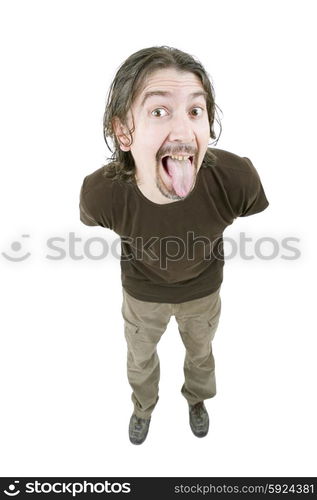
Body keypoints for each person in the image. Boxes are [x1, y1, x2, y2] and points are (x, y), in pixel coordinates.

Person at [79, 46, 269, 445]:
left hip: (203, 293)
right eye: (159, 111)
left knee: (201, 355)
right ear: (123, 131)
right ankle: (142, 408)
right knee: (140, 359)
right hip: (141, 296)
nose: (184, 133)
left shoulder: (237, 180)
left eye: (195, 111)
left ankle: (197, 400)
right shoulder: (101, 194)